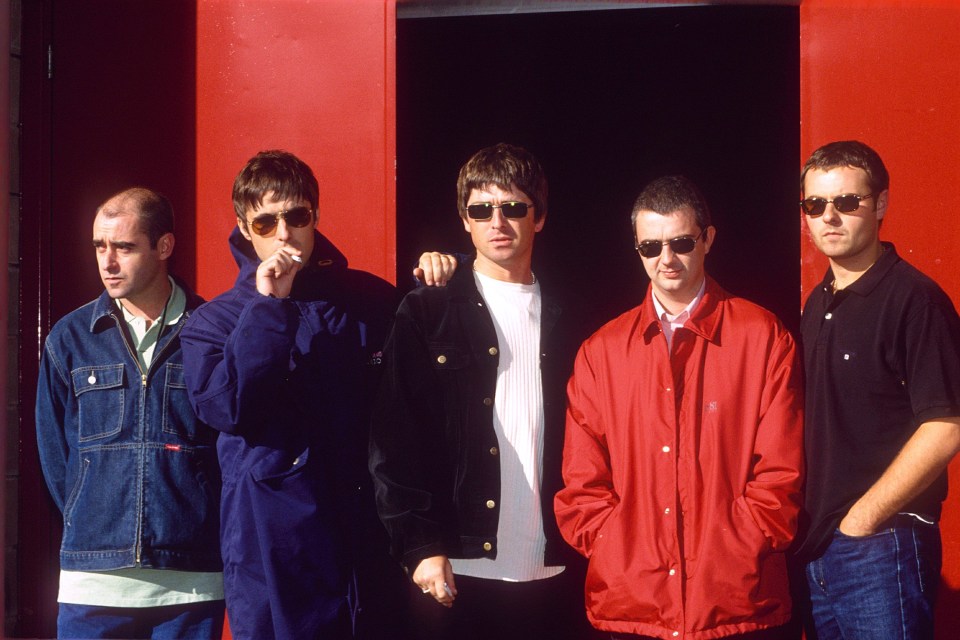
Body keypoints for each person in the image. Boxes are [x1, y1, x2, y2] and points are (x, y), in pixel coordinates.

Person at [555, 175, 804, 639]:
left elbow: (782, 473)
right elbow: (582, 483)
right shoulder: (601, 351)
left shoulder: (763, 336)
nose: (666, 259)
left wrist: (741, 545)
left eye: (681, 242)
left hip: (737, 605)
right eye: (651, 247)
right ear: (637, 248)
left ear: (708, 239)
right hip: (632, 606)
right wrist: (613, 546)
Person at [178, 149, 414, 639]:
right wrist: (269, 307)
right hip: (273, 543)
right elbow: (230, 407)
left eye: (296, 216)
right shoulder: (213, 322)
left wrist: (445, 273)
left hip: (366, 534)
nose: (284, 234)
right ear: (245, 229)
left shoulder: (369, 300)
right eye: (266, 222)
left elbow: (417, 401)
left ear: (316, 216)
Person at [369, 142, 590, 640]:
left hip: (556, 566)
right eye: (482, 209)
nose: (498, 221)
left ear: (540, 217)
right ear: (464, 220)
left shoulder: (573, 316)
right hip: (457, 569)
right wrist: (420, 546)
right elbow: (393, 442)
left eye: (514, 207)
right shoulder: (428, 311)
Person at [35, 187, 224, 639]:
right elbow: (54, 455)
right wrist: (93, 514)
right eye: (100, 246)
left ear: (164, 247)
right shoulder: (71, 337)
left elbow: (228, 446)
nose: (108, 262)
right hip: (93, 580)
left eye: (123, 246)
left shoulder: (211, 331)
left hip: (190, 581)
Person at [795, 140, 960, 639]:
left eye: (847, 202)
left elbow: (946, 425)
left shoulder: (915, 300)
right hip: (821, 550)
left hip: (882, 546)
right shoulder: (815, 302)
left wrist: (862, 520)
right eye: (815, 205)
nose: (830, 217)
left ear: (881, 204)